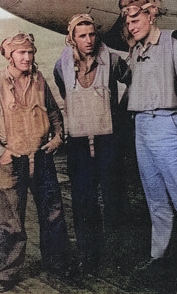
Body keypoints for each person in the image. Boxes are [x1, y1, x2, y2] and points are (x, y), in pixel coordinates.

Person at [0, 32, 69, 293]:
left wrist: (59, 136)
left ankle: (56, 262)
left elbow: (53, 111)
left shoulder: (38, 79)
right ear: (9, 56)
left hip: (41, 157)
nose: (27, 57)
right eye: (21, 53)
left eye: (30, 52)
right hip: (12, 161)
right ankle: (8, 273)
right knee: (11, 221)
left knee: (53, 213)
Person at [122, 0, 177, 285]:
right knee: (155, 199)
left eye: (135, 20)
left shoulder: (173, 46)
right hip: (141, 127)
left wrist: (173, 122)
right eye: (128, 22)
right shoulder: (136, 50)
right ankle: (160, 258)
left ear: (151, 17)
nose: (130, 27)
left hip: (167, 125)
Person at [54, 14, 131, 275]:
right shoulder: (60, 66)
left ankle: (120, 256)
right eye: (82, 35)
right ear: (72, 38)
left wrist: (120, 114)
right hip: (78, 144)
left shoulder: (112, 60)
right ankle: (89, 257)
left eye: (92, 34)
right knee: (83, 202)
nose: (88, 40)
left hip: (108, 141)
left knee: (114, 200)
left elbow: (132, 79)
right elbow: (66, 94)